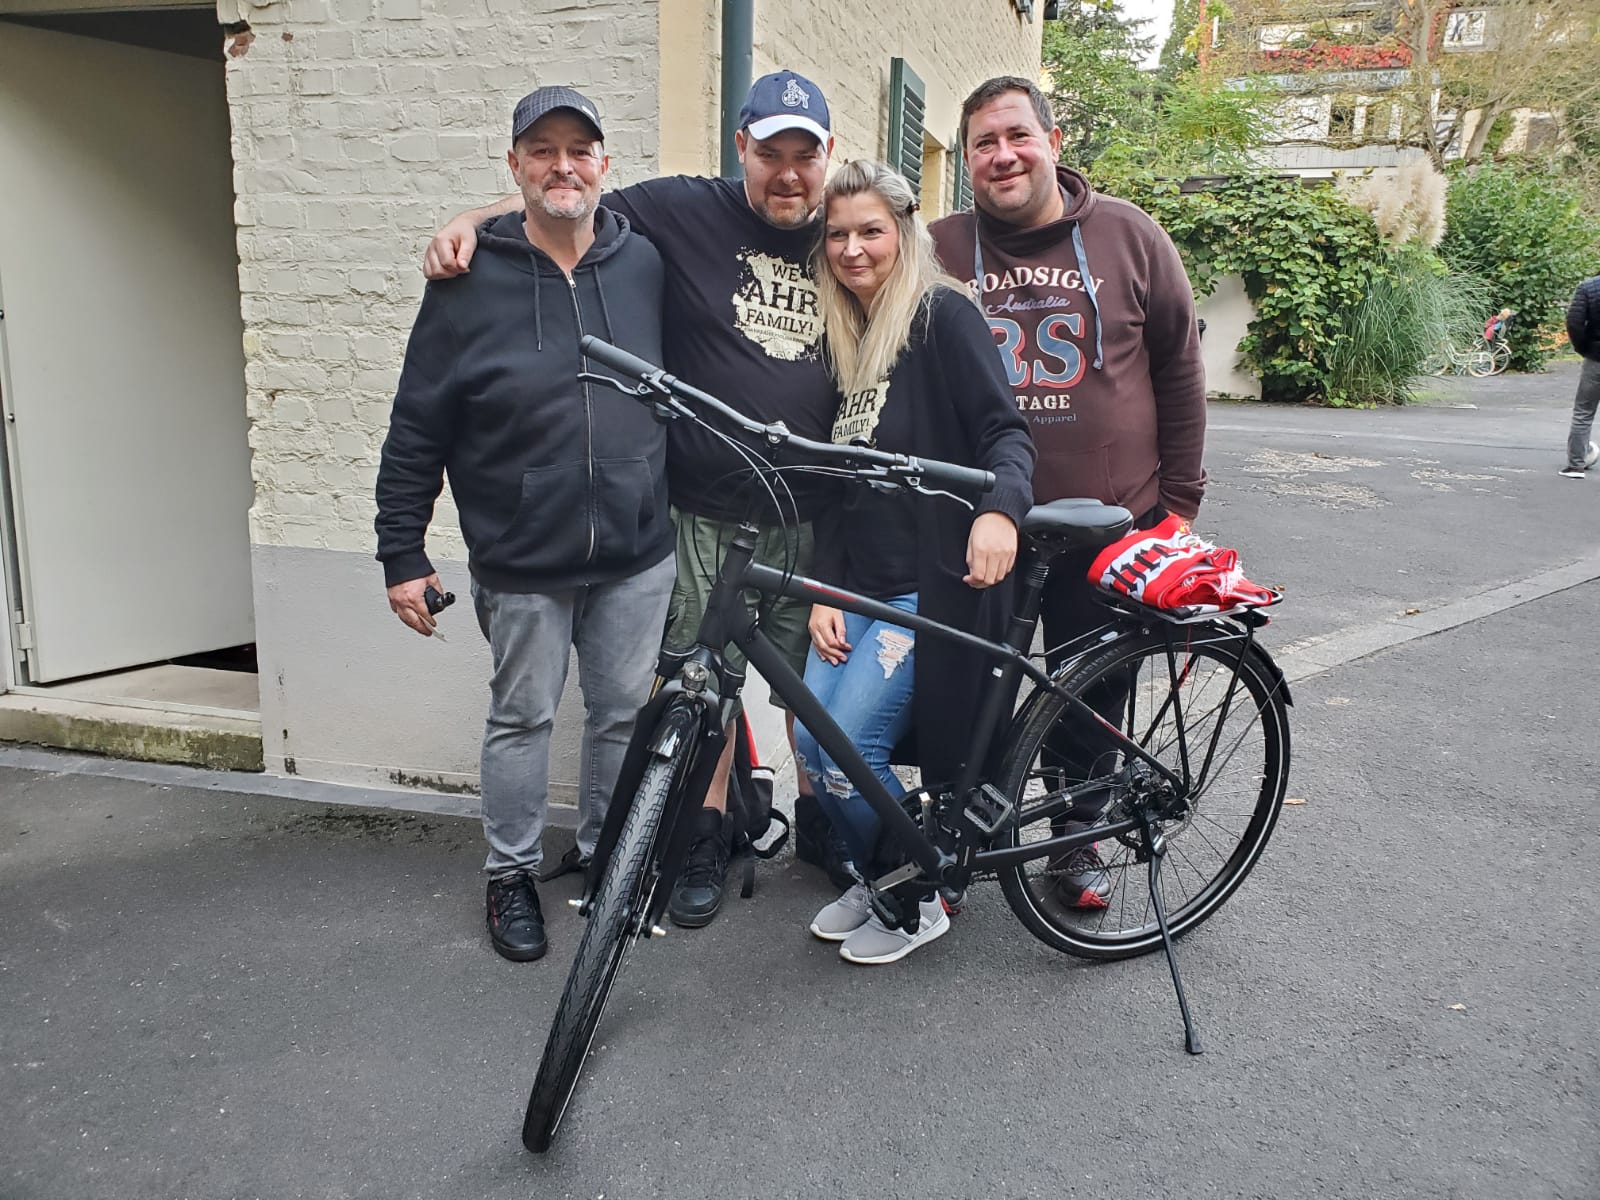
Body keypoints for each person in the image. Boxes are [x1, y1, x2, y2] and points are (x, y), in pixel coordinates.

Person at [422, 72, 846, 926]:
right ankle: (697, 835)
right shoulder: (682, 210)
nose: (789, 172)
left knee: (812, 699)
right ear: (742, 148)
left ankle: (825, 830)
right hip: (699, 513)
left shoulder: (850, 229)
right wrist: (468, 220)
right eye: (772, 152)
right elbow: (563, 196)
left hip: (812, 517)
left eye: (806, 155)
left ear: (829, 156)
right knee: (702, 688)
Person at [375, 87, 676, 963]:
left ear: (604, 165)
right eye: (541, 150)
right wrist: (401, 550)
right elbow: (418, 423)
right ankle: (509, 873)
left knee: (620, 716)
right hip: (521, 554)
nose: (562, 166)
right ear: (514, 165)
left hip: (636, 553)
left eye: (579, 150)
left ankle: (605, 854)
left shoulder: (644, 263)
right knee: (523, 718)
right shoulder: (467, 281)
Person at [928, 76, 1207, 911]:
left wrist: (1179, 509)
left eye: (1018, 135)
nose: (1003, 155)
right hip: (984, 520)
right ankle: (961, 837)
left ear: (1052, 142)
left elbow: (1179, 372)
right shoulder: (937, 248)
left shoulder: (1131, 236)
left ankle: (1077, 837)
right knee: (969, 685)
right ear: (967, 159)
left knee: (1092, 690)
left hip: (1109, 519)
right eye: (983, 142)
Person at [795, 160, 1035, 965]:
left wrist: (1001, 510)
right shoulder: (847, 338)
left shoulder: (942, 317)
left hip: (929, 589)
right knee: (812, 743)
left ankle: (917, 896)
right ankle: (880, 875)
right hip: (858, 587)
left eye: (870, 231)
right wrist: (826, 590)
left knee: (852, 747)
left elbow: (1006, 433)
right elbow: (838, 487)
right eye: (837, 235)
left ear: (903, 231)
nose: (852, 249)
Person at [1559, 273, 1600, 479]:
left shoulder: (1589, 287)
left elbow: (1574, 323)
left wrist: (1584, 349)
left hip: (1596, 359)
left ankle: (1576, 466)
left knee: (1583, 412)